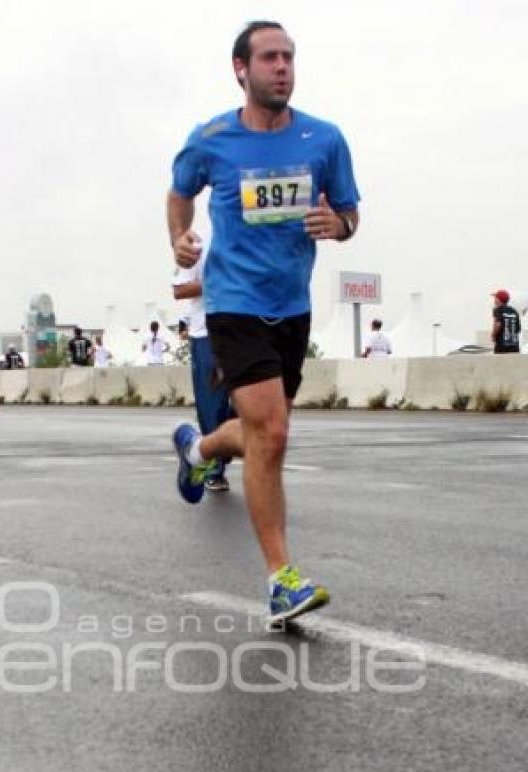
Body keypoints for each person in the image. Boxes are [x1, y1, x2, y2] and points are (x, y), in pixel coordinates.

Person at [168, 20, 359, 623]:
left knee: (257, 436)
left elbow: (350, 211)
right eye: (271, 58)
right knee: (273, 434)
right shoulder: (213, 139)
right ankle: (282, 579)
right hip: (232, 302)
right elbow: (179, 191)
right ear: (241, 69)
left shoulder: (323, 139)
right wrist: (179, 236)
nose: (283, 67)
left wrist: (340, 226)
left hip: (292, 306)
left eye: (289, 58)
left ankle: (199, 448)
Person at [173, 233, 235, 491]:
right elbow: (180, 290)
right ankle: (213, 467)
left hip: (247, 333)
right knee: (213, 407)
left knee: (253, 405)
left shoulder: (254, 243)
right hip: (207, 334)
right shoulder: (198, 248)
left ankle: (224, 446)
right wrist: (216, 281)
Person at [490, 289, 521, 354]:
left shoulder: (498, 310)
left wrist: (493, 336)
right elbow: (518, 329)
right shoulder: (514, 311)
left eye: (495, 297)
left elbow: (498, 324)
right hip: (514, 347)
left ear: (498, 299)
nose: (494, 300)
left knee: (498, 363)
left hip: (501, 346)